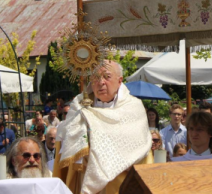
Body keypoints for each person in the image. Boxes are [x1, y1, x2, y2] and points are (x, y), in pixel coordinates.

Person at [54, 60, 152, 194]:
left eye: (107, 77)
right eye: (95, 77)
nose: (100, 82)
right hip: (86, 177)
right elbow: (64, 133)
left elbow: (139, 145)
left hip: (122, 182)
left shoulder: (134, 107)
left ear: (120, 80)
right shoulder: (79, 105)